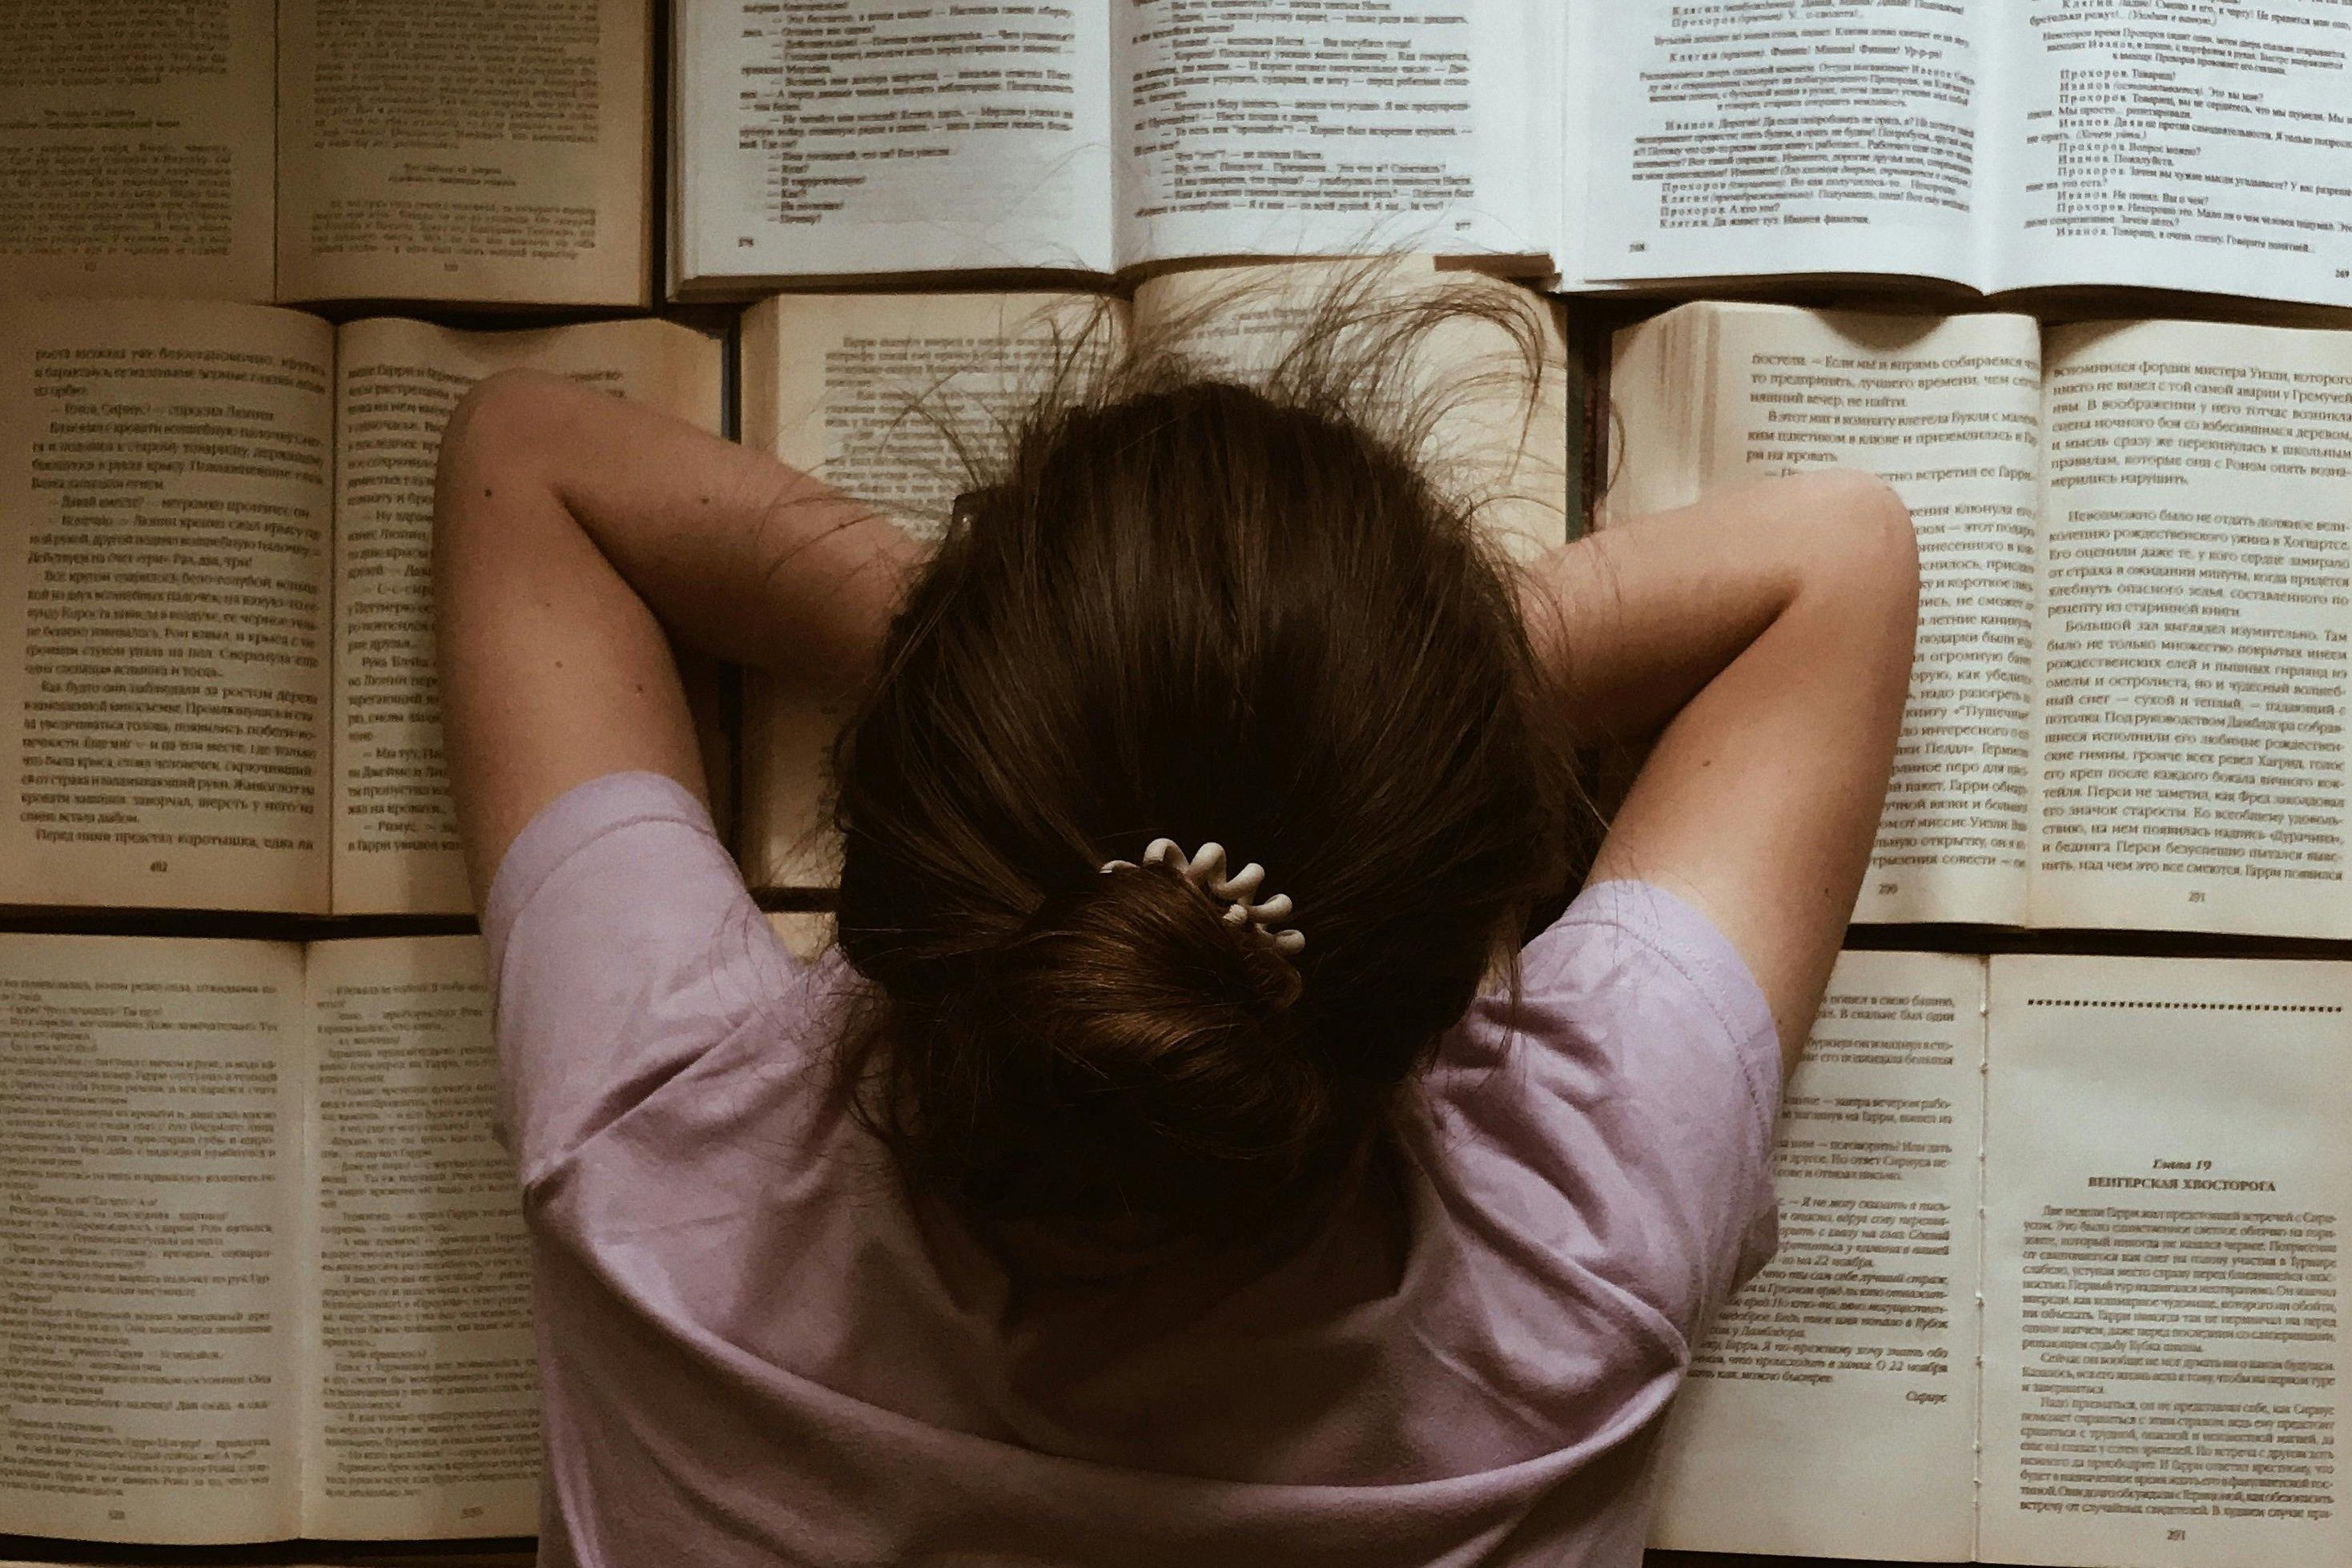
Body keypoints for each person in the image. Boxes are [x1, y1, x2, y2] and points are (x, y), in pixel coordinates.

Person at [430, 284, 1918, 1567]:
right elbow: (1833, 560)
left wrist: (997, 672)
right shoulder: (1579, 1245)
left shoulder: (652, 1151)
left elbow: (531, 460)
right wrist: (1403, 717)